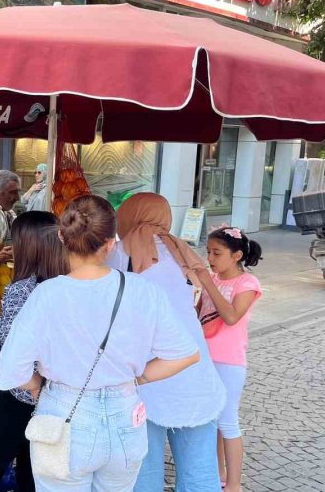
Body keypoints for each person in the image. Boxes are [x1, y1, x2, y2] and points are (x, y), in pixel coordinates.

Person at [0, 195, 201, 492]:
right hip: (125, 415)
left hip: (64, 411)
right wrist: (138, 377)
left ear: (60, 237)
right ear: (111, 244)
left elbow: (10, 368)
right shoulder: (143, 290)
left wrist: (37, 386)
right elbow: (186, 354)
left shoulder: (47, 294)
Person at [107, 193, 226, 492]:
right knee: (200, 473)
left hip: (145, 376)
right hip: (193, 374)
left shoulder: (118, 254)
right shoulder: (183, 252)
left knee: (142, 471)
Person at [0, 211, 68, 492]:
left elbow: (12, 357)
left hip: (18, 398)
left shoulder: (22, 289)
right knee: (33, 476)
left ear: (28, 247)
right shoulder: (70, 286)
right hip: (57, 400)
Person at [196, 227, 262, 492]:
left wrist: (209, 284)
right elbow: (199, 315)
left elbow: (231, 317)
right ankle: (217, 474)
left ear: (236, 255)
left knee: (227, 421)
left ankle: (234, 484)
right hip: (204, 357)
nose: (210, 258)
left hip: (229, 361)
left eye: (217, 253)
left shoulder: (247, 284)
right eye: (208, 251)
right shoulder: (212, 279)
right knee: (212, 421)